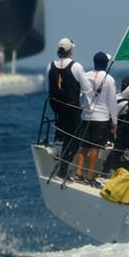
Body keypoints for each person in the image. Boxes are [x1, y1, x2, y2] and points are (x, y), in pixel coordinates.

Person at [46, 37, 92, 178]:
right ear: (70, 50)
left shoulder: (49, 66)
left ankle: (57, 142)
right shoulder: (76, 66)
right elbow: (87, 88)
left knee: (62, 130)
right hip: (71, 109)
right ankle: (63, 169)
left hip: (56, 107)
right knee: (73, 139)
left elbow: (48, 88)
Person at [73, 52, 117, 185]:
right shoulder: (109, 79)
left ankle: (78, 173)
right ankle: (89, 176)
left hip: (85, 116)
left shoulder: (85, 76)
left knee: (84, 147)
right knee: (95, 148)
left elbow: (79, 94)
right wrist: (114, 122)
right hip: (101, 118)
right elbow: (112, 102)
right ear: (106, 63)